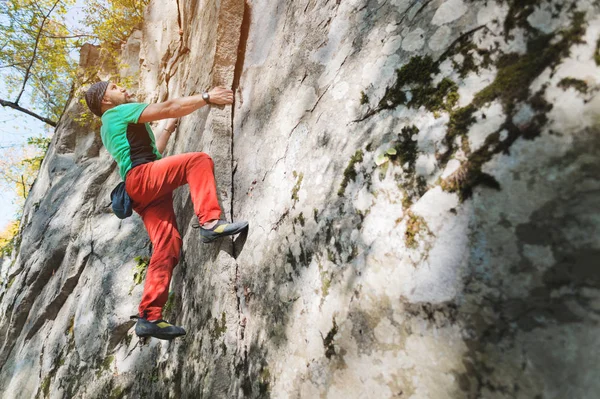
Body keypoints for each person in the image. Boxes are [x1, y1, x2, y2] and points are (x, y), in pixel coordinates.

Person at [84, 81, 248, 340]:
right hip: (142, 180)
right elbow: (169, 107)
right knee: (197, 161)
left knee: (167, 245)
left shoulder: (109, 126)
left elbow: (150, 155)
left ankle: (149, 316)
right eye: (115, 87)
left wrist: (167, 131)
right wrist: (206, 96)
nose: (123, 88)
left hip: (141, 190)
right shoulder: (118, 112)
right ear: (105, 101)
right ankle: (209, 222)